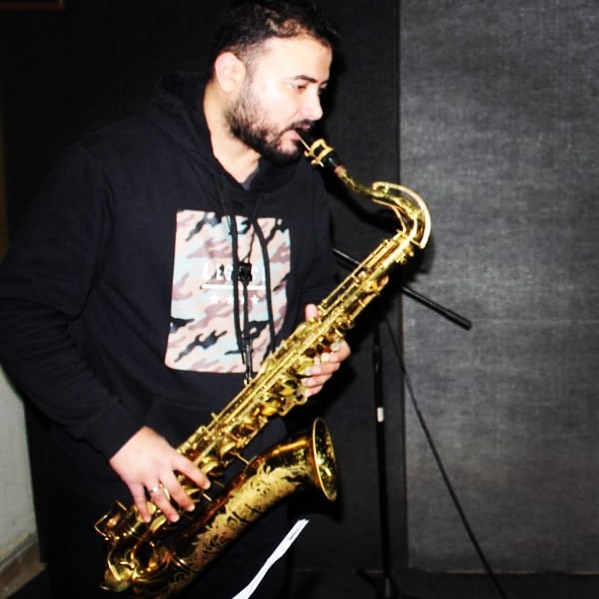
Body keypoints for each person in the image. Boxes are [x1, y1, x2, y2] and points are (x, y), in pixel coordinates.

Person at [0, 1, 350, 597]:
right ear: (232, 72)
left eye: (320, 88)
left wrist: (318, 337)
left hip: (249, 492)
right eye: (298, 86)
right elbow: (20, 315)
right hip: (124, 497)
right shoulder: (109, 166)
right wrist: (118, 435)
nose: (315, 110)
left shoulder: (304, 185)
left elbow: (314, 282)